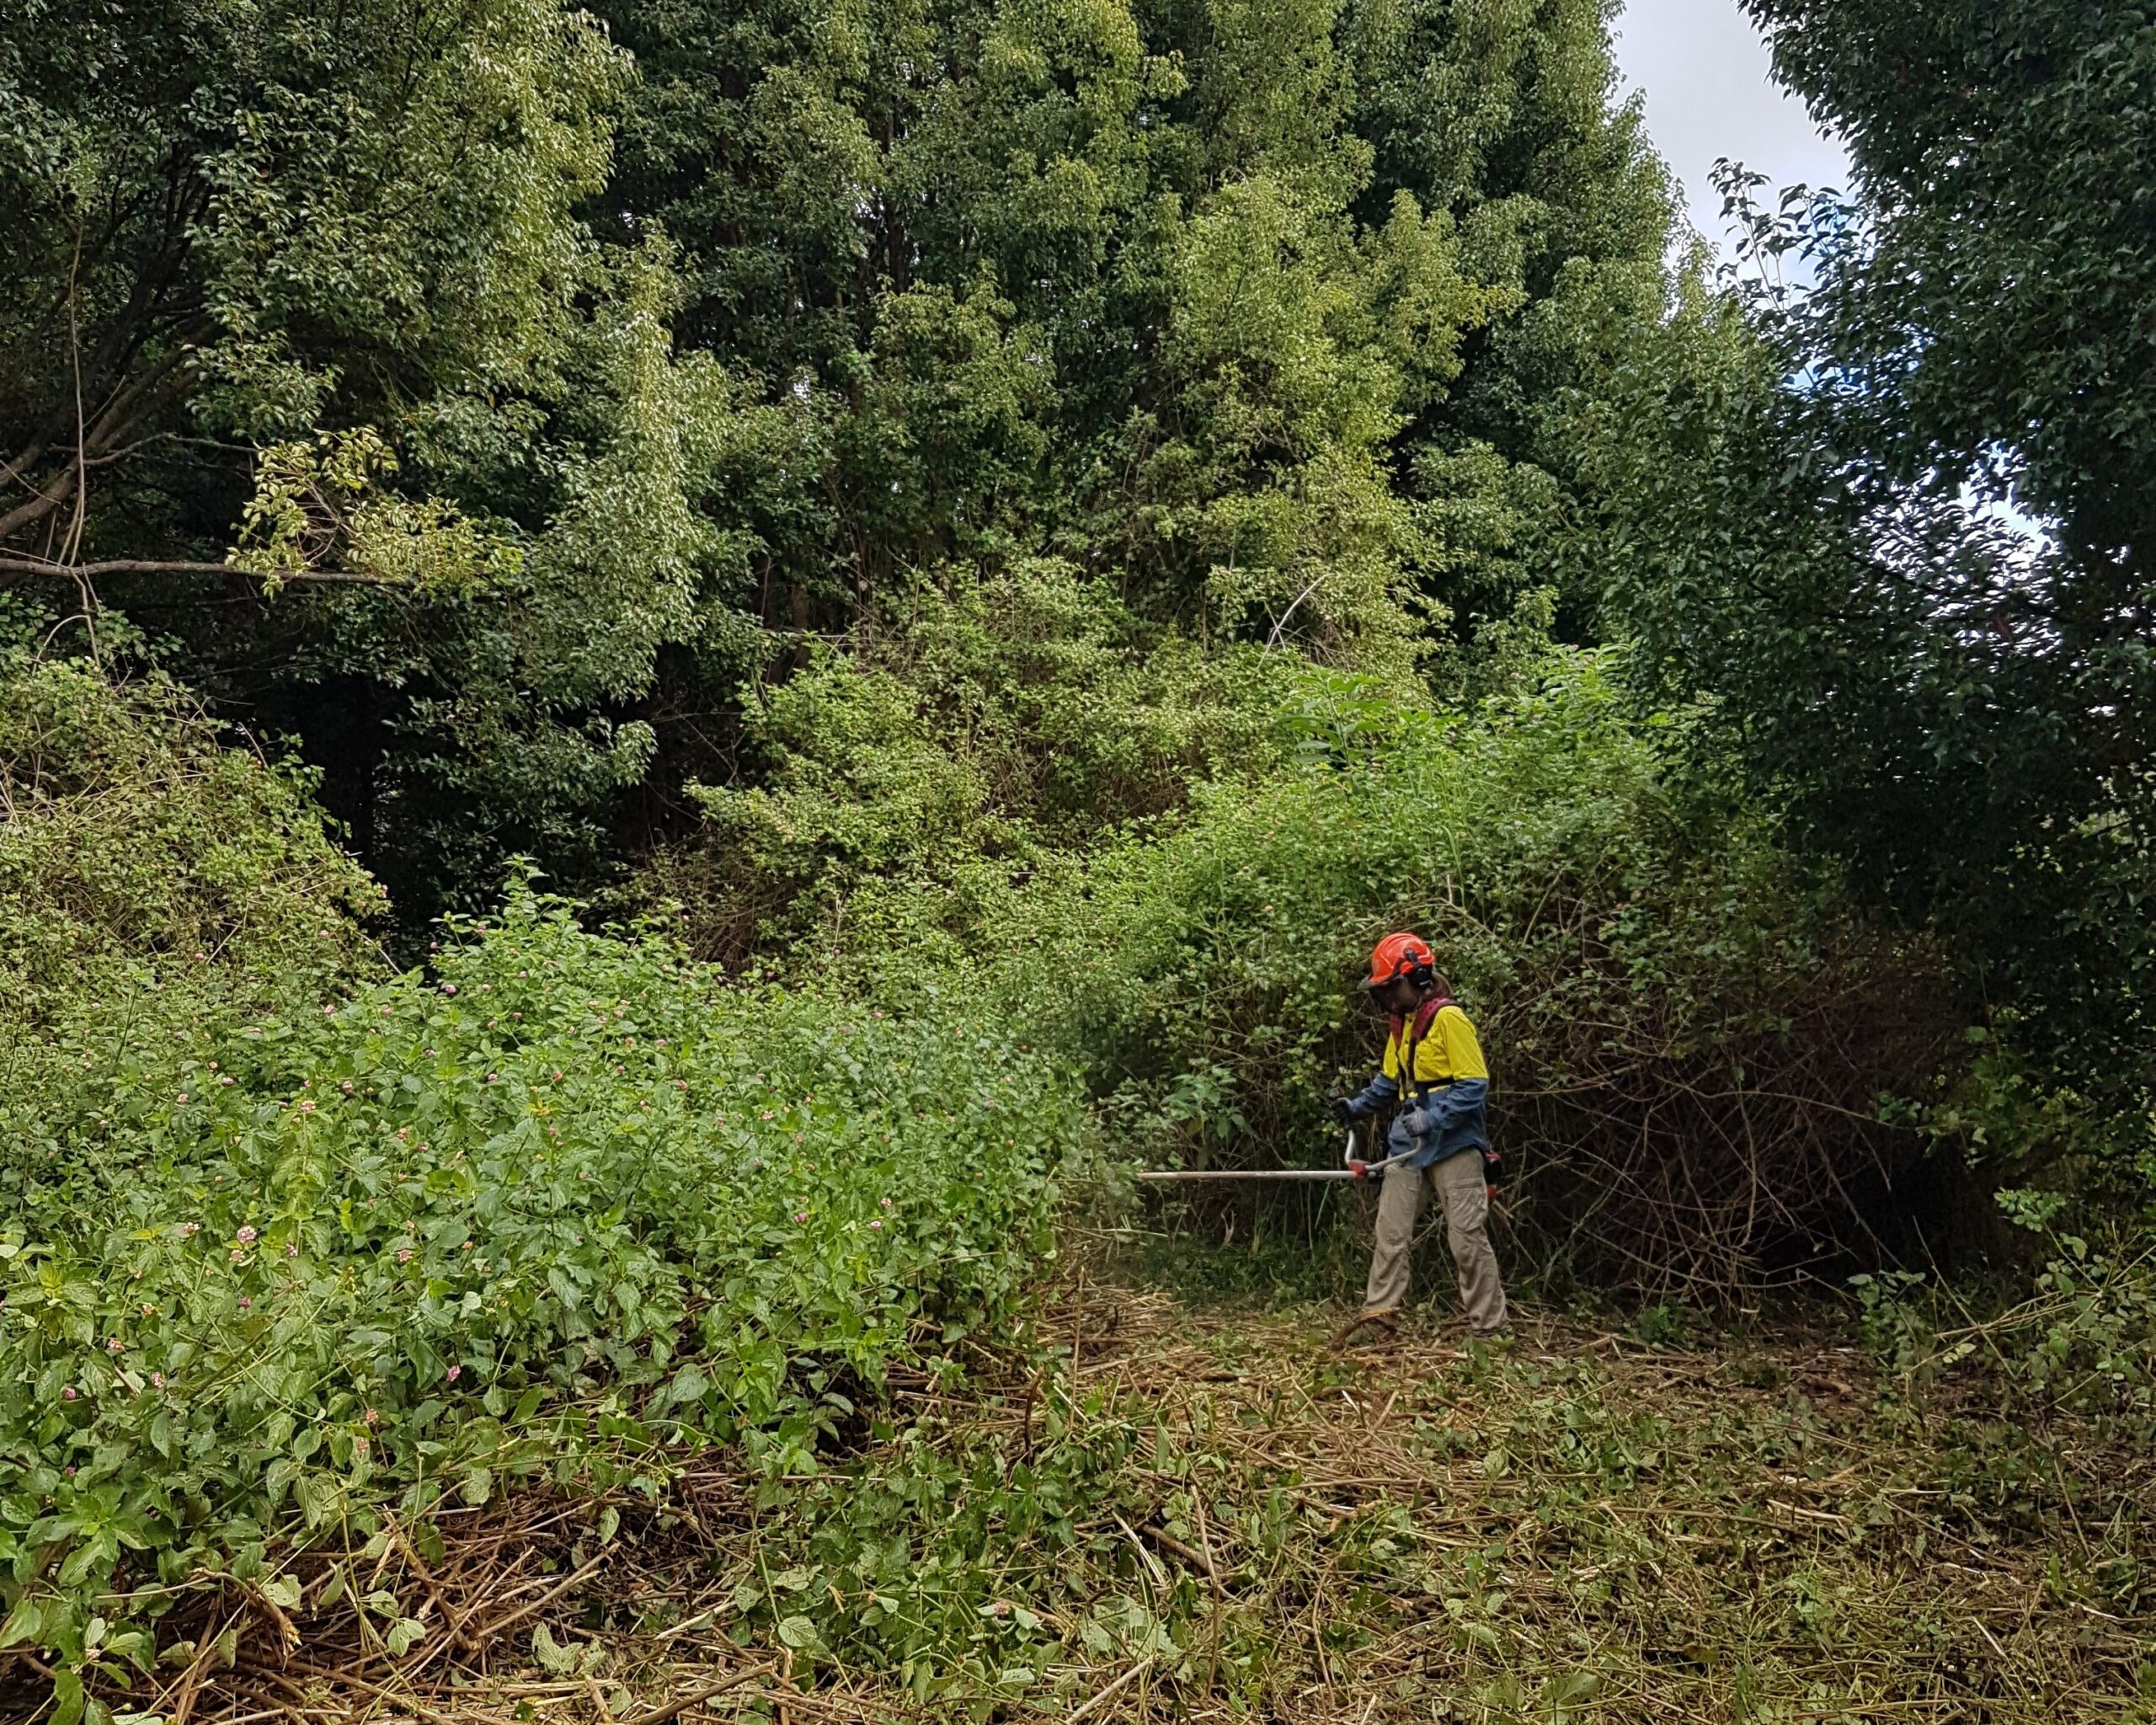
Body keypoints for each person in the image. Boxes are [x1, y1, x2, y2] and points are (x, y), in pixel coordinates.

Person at [1329, 932, 1509, 1346]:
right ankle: (1378, 1319)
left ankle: (1492, 1330)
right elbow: (1390, 1082)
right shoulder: (1402, 1026)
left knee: (1466, 1238)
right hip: (1407, 1147)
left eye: (1392, 987)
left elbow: (1474, 1085)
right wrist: (1356, 1107)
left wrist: (1433, 1118)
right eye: (1384, 991)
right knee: (1391, 1234)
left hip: (1454, 1145)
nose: (1388, 998)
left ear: (1420, 977)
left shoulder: (1449, 1020)